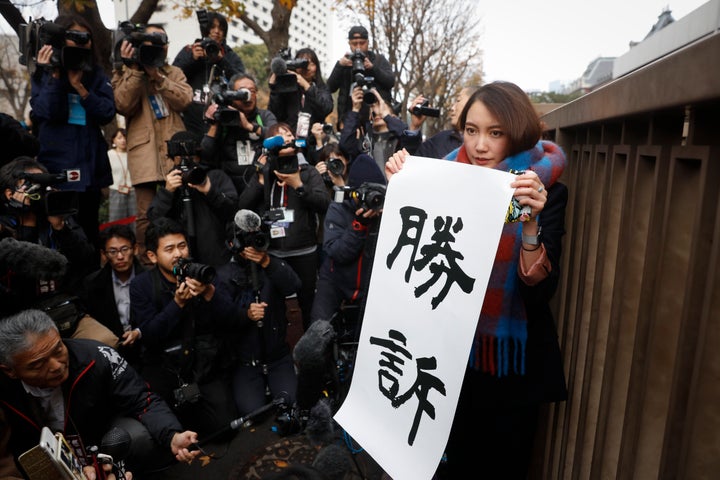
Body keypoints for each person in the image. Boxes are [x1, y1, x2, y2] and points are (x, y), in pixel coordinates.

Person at [386, 81, 569, 479]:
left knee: (504, 463)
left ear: (517, 131)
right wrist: (402, 186)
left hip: (510, 366)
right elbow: (411, 260)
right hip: (449, 356)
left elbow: (539, 292)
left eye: (495, 132)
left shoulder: (545, 189)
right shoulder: (442, 178)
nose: (480, 144)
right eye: (472, 130)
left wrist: (531, 224)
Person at [0, 309, 200, 478]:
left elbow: (141, 399)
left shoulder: (97, 357)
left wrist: (172, 435)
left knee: (138, 437)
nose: (56, 366)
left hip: (99, 443)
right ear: (9, 370)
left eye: (58, 349)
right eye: (38, 364)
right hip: (36, 461)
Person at [129, 217, 238, 437]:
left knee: (226, 429)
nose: (178, 254)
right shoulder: (141, 285)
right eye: (169, 249)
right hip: (165, 366)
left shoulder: (201, 272)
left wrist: (209, 293)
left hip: (204, 365)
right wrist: (177, 304)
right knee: (166, 433)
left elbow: (231, 318)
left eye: (182, 246)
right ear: (152, 256)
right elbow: (149, 335)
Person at [30, 14, 115, 251]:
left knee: (89, 232)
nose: (79, 42)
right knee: (59, 233)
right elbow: (46, 112)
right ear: (60, 39)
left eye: (84, 37)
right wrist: (56, 76)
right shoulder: (43, 71)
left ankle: (90, 282)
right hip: (57, 166)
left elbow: (107, 112)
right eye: (73, 36)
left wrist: (80, 87)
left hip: (90, 170)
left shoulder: (95, 74)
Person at [237, 123, 331, 332]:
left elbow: (325, 204)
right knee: (274, 306)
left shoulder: (307, 172)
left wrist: (298, 185)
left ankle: (311, 350)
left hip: (305, 251)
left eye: (288, 135)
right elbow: (243, 206)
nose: (286, 139)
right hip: (272, 253)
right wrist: (260, 178)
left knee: (308, 303)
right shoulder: (266, 172)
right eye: (279, 137)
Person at [112, 24, 193, 263]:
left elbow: (185, 100)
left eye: (160, 40)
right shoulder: (125, 72)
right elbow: (123, 105)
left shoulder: (174, 72)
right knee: (145, 215)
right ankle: (149, 265)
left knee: (180, 208)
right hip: (143, 153)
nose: (156, 45)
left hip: (174, 153)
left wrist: (158, 76)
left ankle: (182, 259)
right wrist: (136, 71)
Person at [215, 224, 302, 416]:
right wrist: (246, 314)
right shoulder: (223, 276)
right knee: (253, 413)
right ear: (233, 244)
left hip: (277, 356)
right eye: (246, 241)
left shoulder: (272, 265)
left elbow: (294, 285)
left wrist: (267, 262)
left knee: (291, 405)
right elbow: (221, 318)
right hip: (246, 362)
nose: (252, 246)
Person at [310, 153, 384, 324]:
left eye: (378, 194)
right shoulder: (339, 207)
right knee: (317, 330)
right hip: (335, 279)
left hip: (372, 285)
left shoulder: (387, 210)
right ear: (355, 193)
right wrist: (359, 225)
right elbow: (338, 252)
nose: (374, 199)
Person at [147, 131, 237, 267]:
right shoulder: (170, 183)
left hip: (216, 256)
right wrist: (167, 192)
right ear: (172, 158)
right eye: (179, 157)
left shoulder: (215, 177)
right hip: (181, 258)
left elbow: (233, 211)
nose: (186, 162)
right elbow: (155, 220)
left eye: (191, 156)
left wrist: (210, 191)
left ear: (199, 157)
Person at [79, 224, 145, 367]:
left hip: (146, 350)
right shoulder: (92, 284)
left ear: (135, 249)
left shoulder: (149, 278)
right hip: (110, 354)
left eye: (124, 249)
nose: (120, 256)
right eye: (113, 251)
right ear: (104, 254)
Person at [172, 11, 245, 141]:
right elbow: (173, 77)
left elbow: (241, 83)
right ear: (205, 29)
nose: (217, 31)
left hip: (223, 122)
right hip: (191, 121)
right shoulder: (190, 50)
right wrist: (192, 58)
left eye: (221, 28)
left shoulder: (230, 56)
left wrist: (221, 60)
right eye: (212, 27)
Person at [201, 72, 277, 195]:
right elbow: (206, 155)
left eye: (251, 91)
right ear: (231, 95)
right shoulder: (222, 119)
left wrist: (250, 126)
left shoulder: (264, 116)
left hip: (259, 184)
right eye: (241, 92)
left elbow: (277, 137)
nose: (247, 96)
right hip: (229, 187)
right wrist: (214, 124)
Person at [327, 25, 395, 125]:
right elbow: (329, 88)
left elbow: (390, 82)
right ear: (349, 44)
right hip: (350, 119)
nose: (358, 47)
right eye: (354, 44)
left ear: (367, 43)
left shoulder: (378, 60)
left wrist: (372, 68)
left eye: (362, 43)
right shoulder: (345, 63)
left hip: (377, 118)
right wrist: (339, 66)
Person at [339, 88, 407, 174]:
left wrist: (385, 116)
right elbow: (345, 144)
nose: (376, 111)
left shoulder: (399, 139)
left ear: (393, 116)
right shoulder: (365, 142)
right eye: (373, 108)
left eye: (380, 106)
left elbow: (409, 136)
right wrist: (355, 109)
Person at [268, 47, 333, 137]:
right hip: (291, 138)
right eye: (303, 63)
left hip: (314, 138)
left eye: (311, 64)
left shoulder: (321, 88)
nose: (307, 68)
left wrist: (307, 86)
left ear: (317, 68)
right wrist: (274, 88)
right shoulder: (288, 87)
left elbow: (326, 108)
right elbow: (275, 113)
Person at [402, 86, 475, 158]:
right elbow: (411, 161)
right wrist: (414, 127)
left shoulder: (483, 146)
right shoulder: (440, 140)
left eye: (458, 100)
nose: (452, 108)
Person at [106, 128, 136, 226]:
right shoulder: (109, 154)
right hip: (116, 190)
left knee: (134, 221)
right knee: (116, 221)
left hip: (132, 190)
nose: (123, 140)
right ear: (114, 140)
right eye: (119, 138)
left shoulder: (133, 154)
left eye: (125, 137)